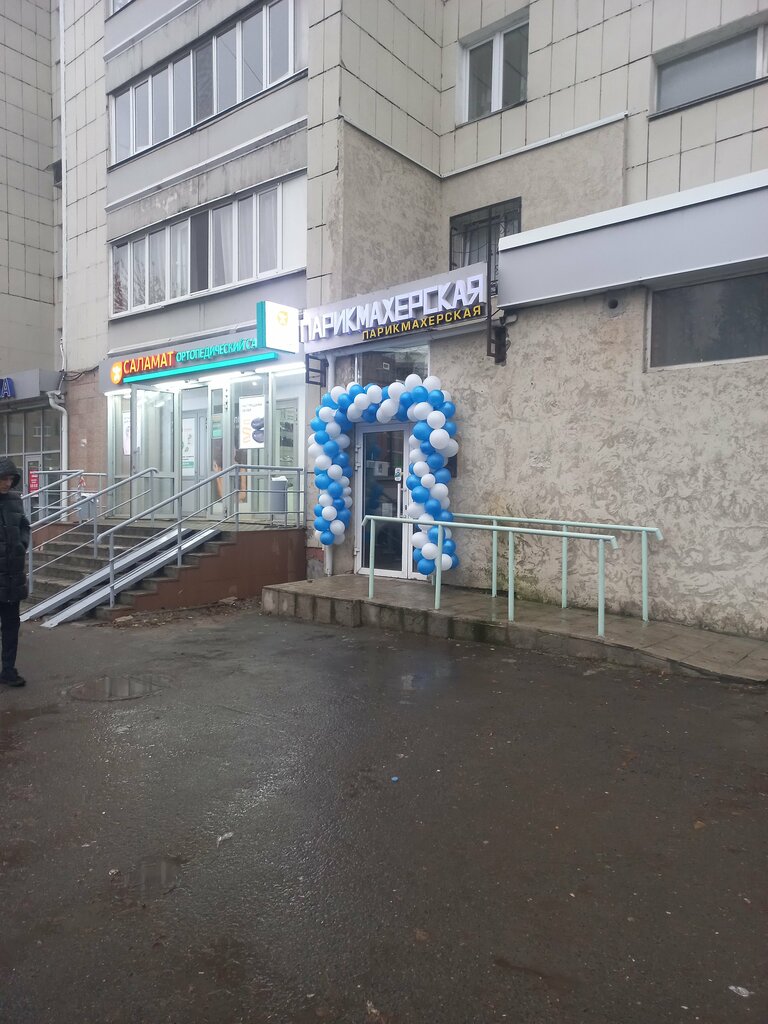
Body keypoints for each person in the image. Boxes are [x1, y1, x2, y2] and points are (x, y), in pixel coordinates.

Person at [0, 458, 30, 687]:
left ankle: (8, 670)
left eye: (10, 479)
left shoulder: (15, 500)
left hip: (12, 575)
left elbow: (23, 526)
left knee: (11, 626)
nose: (7, 483)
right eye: (3, 479)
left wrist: (21, 544)